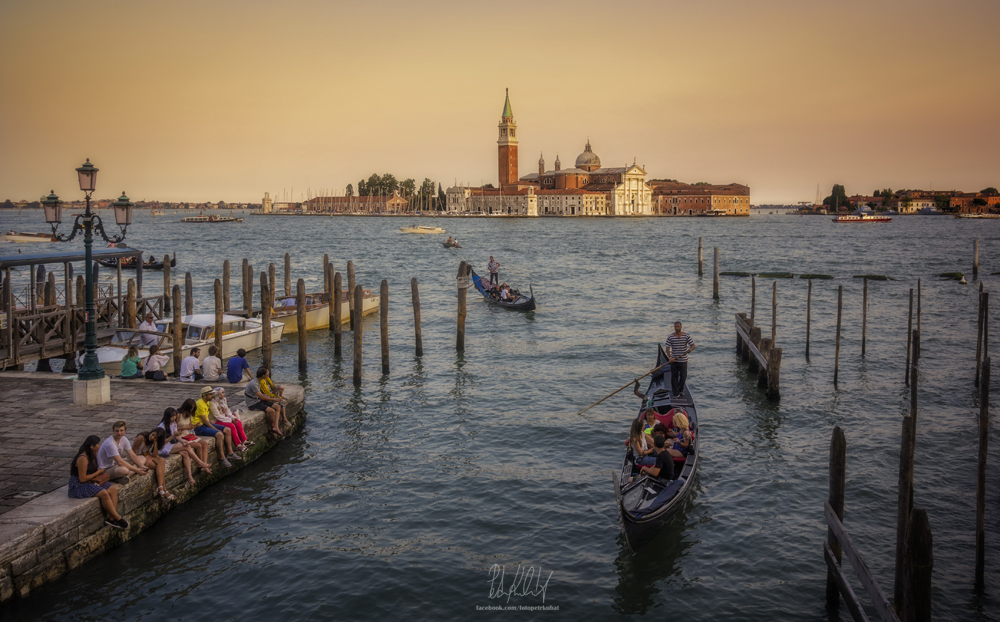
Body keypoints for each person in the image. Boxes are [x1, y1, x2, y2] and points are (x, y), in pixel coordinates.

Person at [68, 435, 129, 529]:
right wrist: (98, 472)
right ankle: (118, 518)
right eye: (98, 444)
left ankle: (111, 519)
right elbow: (82, 479)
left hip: (92, 480)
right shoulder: (83, 458)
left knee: (113, 489)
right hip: (80, 485)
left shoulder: (93, 454)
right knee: (104, 493)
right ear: (91, 446)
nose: (99, 446)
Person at [156, 407, 212, 484]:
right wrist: (173, 436)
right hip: (164, 447)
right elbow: (162, 442)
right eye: (172, 417)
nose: (174, 418)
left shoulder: (174, 424)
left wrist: (183, 441)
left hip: (172, 444)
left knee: (186, 453)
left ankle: (190, 476)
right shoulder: (161, 427)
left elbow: (177, 436)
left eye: (174, 416)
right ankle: (200, 462)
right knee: (187, 447)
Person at [191, 390, 241, 466]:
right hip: (200, 427)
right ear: (205, 396)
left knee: (228, 430)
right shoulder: (200, 404)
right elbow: (205, 421)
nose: (212, 396)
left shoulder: (207, 402)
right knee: (219, 434)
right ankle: (222, 457)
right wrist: (215, 429)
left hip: (206, 424)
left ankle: (230, 453)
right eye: (210, 394)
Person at [131, 428, 176, 500]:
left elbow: (155, 455)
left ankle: (161, 488)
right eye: (153, 435)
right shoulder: (140, 438)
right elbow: (132, 453)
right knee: (160, 467)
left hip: (147, 456)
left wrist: (155, 443)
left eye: (155, 438)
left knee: (161, 460)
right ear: (152, 431)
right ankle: (163, 489)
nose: (152, 437)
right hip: (139, 458)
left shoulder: (153, 441)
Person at [210, 387, 251, 451]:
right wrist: (230, 420)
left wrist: (233, 418)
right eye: (222, 393)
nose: (224, 394)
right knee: (231, 426)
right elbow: (217, 416)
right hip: (216, 420)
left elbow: (227, 411)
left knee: (238, 422)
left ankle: (244, 440)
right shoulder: (212, 403)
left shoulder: (223, 400)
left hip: (224, 417)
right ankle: (238, 445)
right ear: (217, 394)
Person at [246, 367, 283, 436]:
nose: (268, 376)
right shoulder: (254, 384)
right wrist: (275, 399)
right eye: (267, 375)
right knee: (272, 411)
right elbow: (262, 397)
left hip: (258, 399)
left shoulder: (260, 380)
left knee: (278, 407)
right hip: (253, 403)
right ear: (263, 375)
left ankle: (276, 426)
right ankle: (272, 427)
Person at [665, 321, 696, 397]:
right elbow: (667, 349)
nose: (676, 328)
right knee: (674, 377)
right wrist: (670, 357)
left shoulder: (686, 336)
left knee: (683, 376)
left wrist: (690, 350)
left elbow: (693, 345)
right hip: (674, 360)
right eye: (675, 327)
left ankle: (680, 390)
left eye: (678, 327)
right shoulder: (670, 337)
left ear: (681, 327)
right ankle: (676, 393)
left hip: (683, 360)